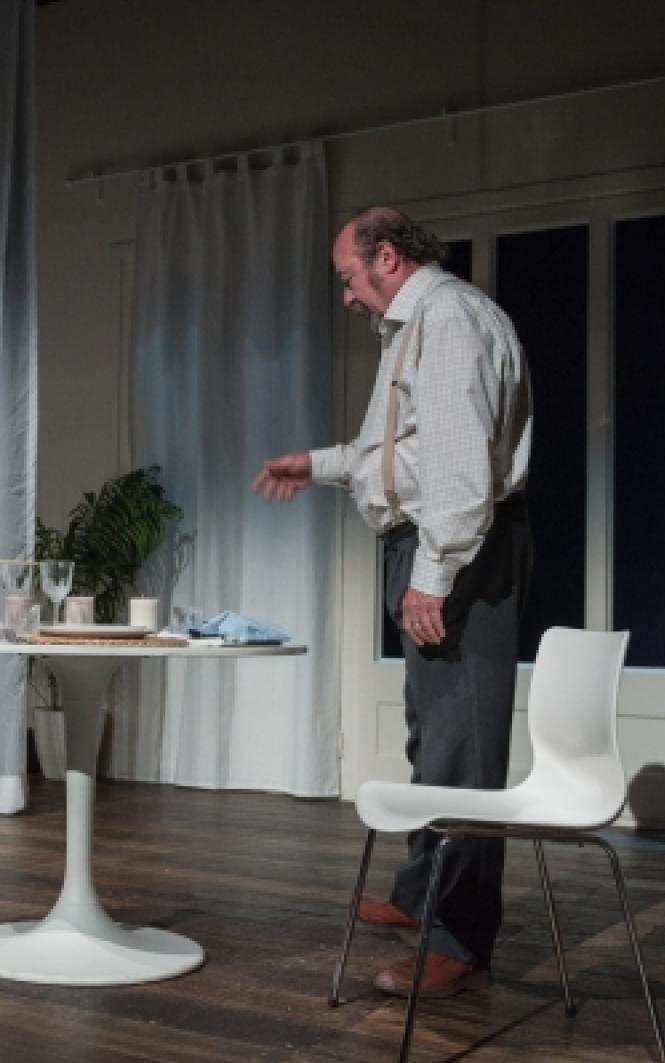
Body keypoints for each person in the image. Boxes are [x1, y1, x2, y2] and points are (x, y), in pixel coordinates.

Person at [254, 206, 532, 998]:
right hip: (431, 541)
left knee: (462, 748)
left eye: (348, 278)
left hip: (461, 548)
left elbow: (459, 472)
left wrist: (433, 574)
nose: (346, 296)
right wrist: (316, 464)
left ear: (385, 257)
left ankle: (458, 936)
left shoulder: (448, 320)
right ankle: (421, 897)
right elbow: (395, 453)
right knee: (431, 734)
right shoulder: (413, 327)